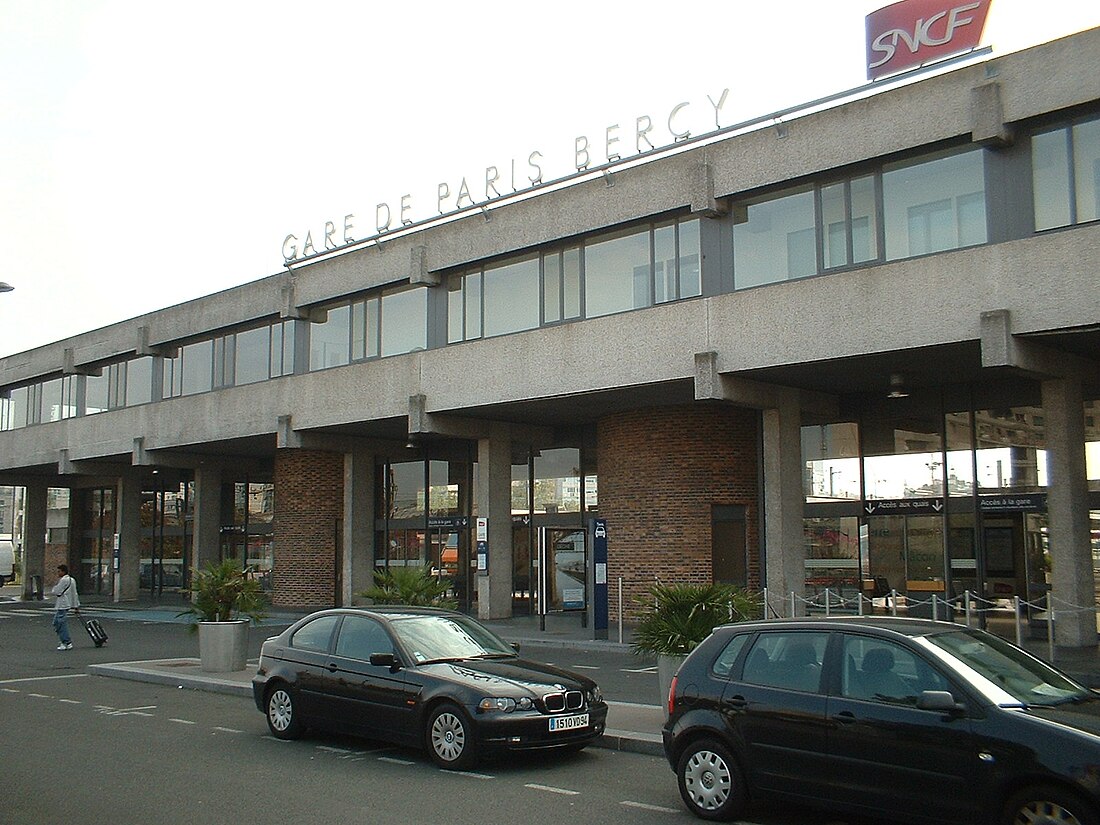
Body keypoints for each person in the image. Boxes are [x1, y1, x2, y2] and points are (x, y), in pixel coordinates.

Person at [51, 564, 80, 651]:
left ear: (63, 572)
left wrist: (55, 588)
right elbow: (74, 593)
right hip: (68, 603)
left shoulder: (63, 580)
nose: (58, 573)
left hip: (62, 604)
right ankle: (65, 641)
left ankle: (65, 641)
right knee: (57, 622)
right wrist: (76, 606)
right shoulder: (72, 580)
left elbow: (56, 591)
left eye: (59, 571)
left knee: (60, 623)